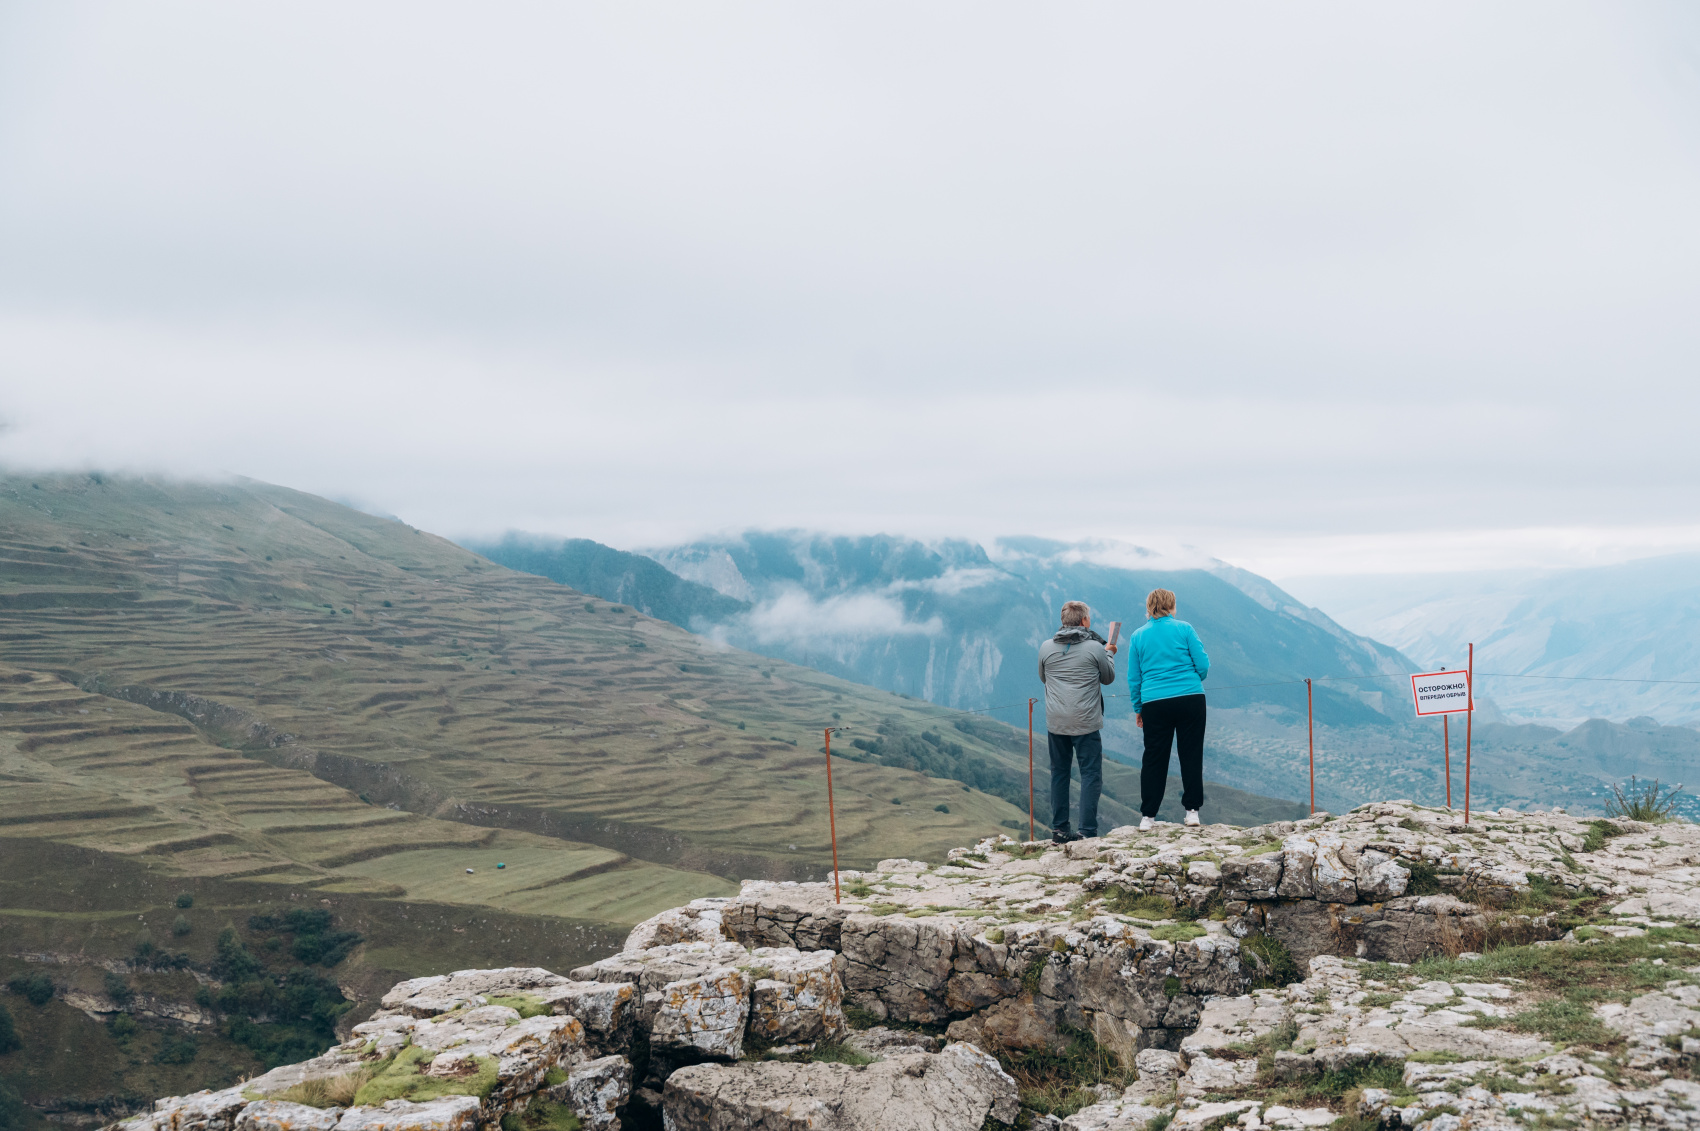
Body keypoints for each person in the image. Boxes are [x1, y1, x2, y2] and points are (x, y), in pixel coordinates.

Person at [1127, 588, 1210, 830]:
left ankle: (1148, 816)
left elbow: (1134, 677)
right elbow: (1203, 664)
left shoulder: (1138, 636)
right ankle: (1192, 812)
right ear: (1172, 606)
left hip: (1154, 702)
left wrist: (1138, 707)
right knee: (1191, 753)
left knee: (1154, 756)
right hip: (1191, 698)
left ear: (1149, 606)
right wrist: (1192, 680)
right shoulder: (1185, 629)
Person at [1037, 600, 1116, 843]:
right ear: (1084, 621)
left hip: (1056, 721)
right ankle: (1087, 831)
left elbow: (1043, 678)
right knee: (1090, 774)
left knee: (1059, 773)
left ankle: (1060, 830)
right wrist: (1110, 653)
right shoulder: (1095, 648)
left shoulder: (1046, 647)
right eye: (1089, 618)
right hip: (1086, 722)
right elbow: (1108, 678)